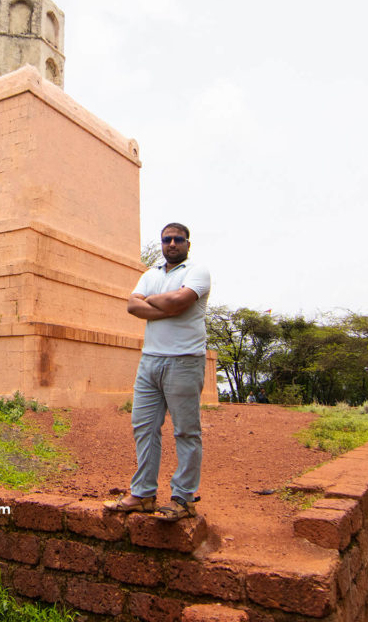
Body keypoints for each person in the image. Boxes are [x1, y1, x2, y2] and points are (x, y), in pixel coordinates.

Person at [104, 222, 211, 521]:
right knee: (143, 427)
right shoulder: (150, 274)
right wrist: (167, 306)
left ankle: (184, 499)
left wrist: (152, 302)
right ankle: (143, 494)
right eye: (167, 240)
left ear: (188, 243)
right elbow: (132, 306)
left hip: (185, 361)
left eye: (178, 239)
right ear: (162, 243)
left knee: (186, 431)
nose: (172, 244)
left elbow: (179, 301)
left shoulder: (197, 271)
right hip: (149, 362)